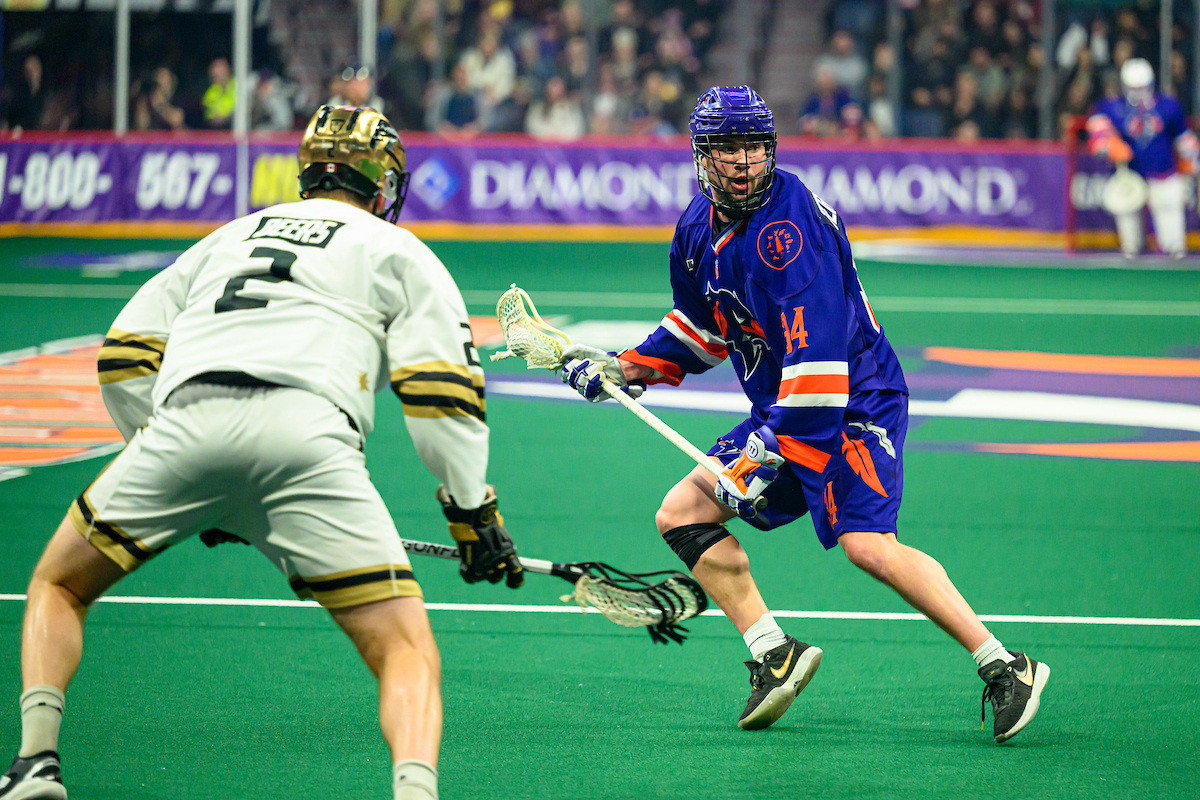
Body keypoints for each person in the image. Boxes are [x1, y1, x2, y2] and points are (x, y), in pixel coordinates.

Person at [0, 105, 523, 800]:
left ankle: (35, 762)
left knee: (59, 584)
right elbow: (440, 396)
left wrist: (180, 468)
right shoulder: (399, 250)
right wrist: (470, 513)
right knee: (403, 648)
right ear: (382, 183)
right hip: (309, 438)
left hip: (182, 426)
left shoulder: (227, 236)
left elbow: (123, 359)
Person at [557, 86, 1050, 741]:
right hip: (784, 409)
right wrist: (625, 366)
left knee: (867, 546)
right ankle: (773, 653)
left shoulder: (792, 231)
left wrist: (763, 454)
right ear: (703, 155)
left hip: (850, 403)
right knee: (682, 514)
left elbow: (819, 371)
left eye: (755, 146)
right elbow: (705, 329)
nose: (744, 161)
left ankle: (1006, 667)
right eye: (728, 147)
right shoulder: (694, 227)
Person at [1087, 58, 1199, 258]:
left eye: (1143, 87)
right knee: (1128, 220)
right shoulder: (1111, 107)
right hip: (1129, 174)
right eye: (1134, 87)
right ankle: (1132, 248)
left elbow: (1184, 139)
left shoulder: (1169, 105)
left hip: (1163, 171)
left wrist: (1193, 164)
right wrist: (1109, 145)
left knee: (1170, 213)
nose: (1138, 93)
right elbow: (1097, 135)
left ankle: (1174, 248)